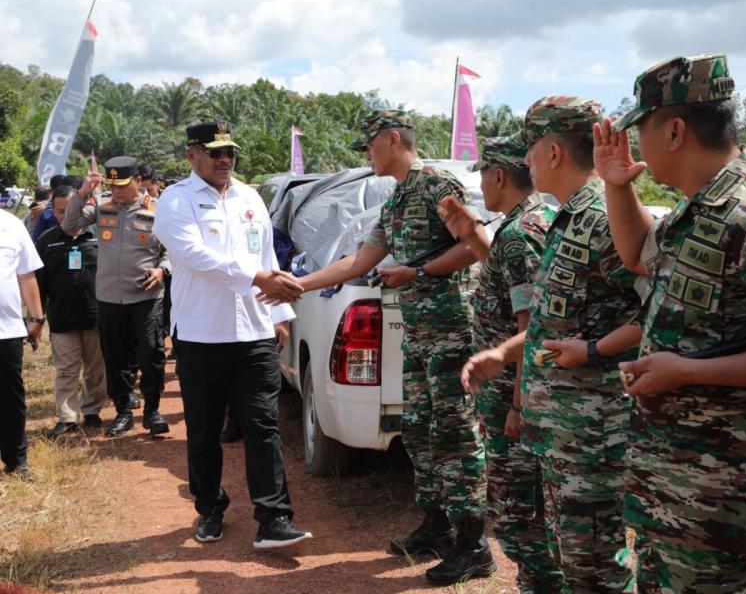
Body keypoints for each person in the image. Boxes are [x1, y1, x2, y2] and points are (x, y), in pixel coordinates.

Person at [594, 54, 746, 591]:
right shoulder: (697, 210)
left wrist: (688, 372)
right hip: (674, 484)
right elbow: (638, 255)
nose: (639, 147)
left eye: (643, 131)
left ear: (675, 130)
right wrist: (616, 184)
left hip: (731, 495)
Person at [296, 109, 492, 584]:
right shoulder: (399, 197)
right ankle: (437, 525)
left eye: (369, 143)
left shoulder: (435, 185)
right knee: (421, 431)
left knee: (456, 434)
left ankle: (474, 544)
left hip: (452, 333)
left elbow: (475, 243)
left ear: (392, 138)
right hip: (421, 336)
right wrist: (296, 284)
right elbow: (358, 261)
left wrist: (419, 273)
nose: (366, 152)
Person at [463, 96, 642, 592]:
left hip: (594, 431)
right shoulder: (566, 221)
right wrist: (504, 354)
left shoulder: (604, 220)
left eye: (532, 150)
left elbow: (660, 312)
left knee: (596, 568)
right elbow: (548, 325)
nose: (526, 162)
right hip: (563, 429)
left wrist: (595, 351)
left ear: (555, 153)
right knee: (572, 559)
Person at [153, 121, 312, 549]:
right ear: (192, 155)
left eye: (230, 153)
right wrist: (259, 278)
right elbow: (193, 255)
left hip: (255, 333)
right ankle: (209, 507)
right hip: (202, 335)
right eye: (215, 152)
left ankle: (274, 518)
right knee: (204, 431)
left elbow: (266, 256)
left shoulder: (249, 197)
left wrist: (278, 313)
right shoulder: (175, 199)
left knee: (263, 426)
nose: (225, 160)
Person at [440, 134, 565, 593]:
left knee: (521, 520)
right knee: (529, 516)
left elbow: (534, 325)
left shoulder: (521, 233)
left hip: (519, 399)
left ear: (497, 175)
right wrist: (472, 234)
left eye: (482, 176)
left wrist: (518, 406)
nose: (481, 186)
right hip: (519, 394)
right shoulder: (533, 222)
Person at [62, 156, 170, 438]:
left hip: (147, 296)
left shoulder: (158, 210)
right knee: (115, 357)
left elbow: (173, 249)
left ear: (137, 181)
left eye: (123, 186)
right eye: (113, 186)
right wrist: (84, 192)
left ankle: (153, 411)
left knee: (152, 355)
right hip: (109, 297)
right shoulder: (102, 206)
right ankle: (123, 411)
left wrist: (162, 270)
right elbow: (69, 225)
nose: (118, 192)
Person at [35, 185, 106, 438]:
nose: (66, 215)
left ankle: (92, 412)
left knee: (96, 368)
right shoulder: (46, 240)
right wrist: (37, 318)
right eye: (60, 211)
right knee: (66, 369)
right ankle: (66, 418)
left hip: (95, 314)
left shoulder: (98, 234)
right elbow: (38, 283)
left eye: (70, 209)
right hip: (62, 317)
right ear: (52, 212)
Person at [0, 206, 44, 480]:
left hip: (6, 329)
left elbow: (26, 275)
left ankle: (16, 460)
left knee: (10, 398)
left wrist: (37, 317)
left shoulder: (11, 225)